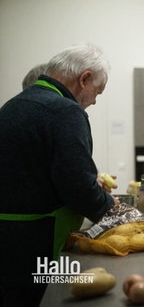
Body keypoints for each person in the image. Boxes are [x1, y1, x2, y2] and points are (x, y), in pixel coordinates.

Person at [0, 43, 119, 307]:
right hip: (40, 241)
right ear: (84, 78)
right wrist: (117, 214)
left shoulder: (13, 105)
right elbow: (79, 188)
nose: (95, 100)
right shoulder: (65, 111)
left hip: (8, 239)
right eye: (97, 91)